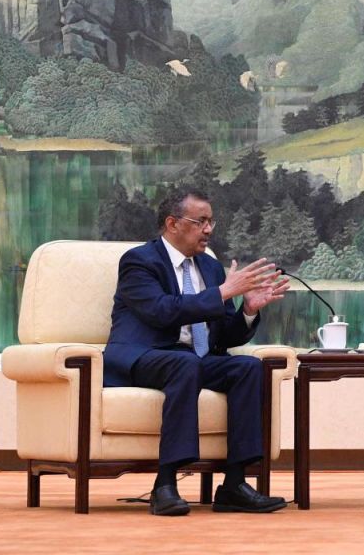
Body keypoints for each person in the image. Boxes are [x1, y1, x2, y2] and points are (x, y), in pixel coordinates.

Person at [104, 187, 291, 516]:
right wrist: (221, 293)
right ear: (173, 223)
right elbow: (162, 311)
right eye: (200, 221)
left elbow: (225, 335)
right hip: (143, 355)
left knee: (247, 368)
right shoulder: (139, 261)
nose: (208, 229)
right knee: (184, 364)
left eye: (211, 222)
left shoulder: (210, 268)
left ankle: (234, 485)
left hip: (191, 360)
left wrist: (247, 309)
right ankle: (165, 485)